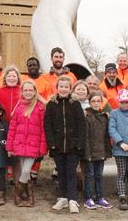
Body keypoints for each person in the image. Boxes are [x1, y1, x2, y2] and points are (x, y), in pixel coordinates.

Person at [44, 75, 85, 214]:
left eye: (66, 87)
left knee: (71, 172)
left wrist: (79, 144)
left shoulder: (75, 104)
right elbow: (47, 125)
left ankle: (73, 199)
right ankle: (62, 198)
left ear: (70, 88)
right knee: (61, 172)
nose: (63, 89)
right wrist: (51, 144)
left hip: (73, 146)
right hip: (57, 146)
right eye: (61, 86)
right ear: (57, 88)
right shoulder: (51, 104)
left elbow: (81, 125)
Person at [6, 81, 47, 207]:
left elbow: (43, 129)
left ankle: (17, 194)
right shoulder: (18, 108)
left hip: (33, 145)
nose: (28, 92)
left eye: (31, 90)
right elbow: (12, 128)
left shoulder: (40, 108)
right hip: (19, 144)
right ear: (22, 92)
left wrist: (42, 147)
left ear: (35, 92)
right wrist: (10, 146)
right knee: (26, 172)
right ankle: (30, 198)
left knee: (25, 171)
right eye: (26, 90)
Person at [83, 90, 112, 210]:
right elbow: (86, 137)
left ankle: (100, 197)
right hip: (89, 151)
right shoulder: (86, 116)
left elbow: (106, 136)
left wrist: (107, 151)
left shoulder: (104, 116)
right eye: (93, 101)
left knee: (99, 175)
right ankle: (88, 197)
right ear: (89, 102)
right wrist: (87, 153)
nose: (96, 103)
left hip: (101, 151)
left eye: (98, 101)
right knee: (89, 175)